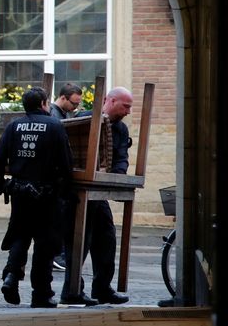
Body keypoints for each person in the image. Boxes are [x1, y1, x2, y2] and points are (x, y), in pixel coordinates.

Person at [0, 87, 74, 308]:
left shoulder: (13, 126)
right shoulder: (55, 126)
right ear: (45, 103)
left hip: (19, 192)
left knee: (20, 235)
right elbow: (66, 165)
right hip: (46, 194)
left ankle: (11, 278)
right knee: (45, 244)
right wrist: (67, 192)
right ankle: (41, 293)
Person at [60, 86, 133, 306]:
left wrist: (117, 177)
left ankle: (102, 288)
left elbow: (121, 157)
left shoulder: (120, 130)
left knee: (107, 239)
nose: (128, 111)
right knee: (80, 241)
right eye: (125, 106)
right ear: (110, 101)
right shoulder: (83, 120)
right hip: (77, 191)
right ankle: (72, 290)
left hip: (98, 192)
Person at [49, 84, 83, 271]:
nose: (75, 108)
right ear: (63, 98)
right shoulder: (54, 116)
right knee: (60, 215)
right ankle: (57, 255)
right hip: (56, 175)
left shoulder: (63, 114)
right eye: (73, 104)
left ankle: (59, 254)